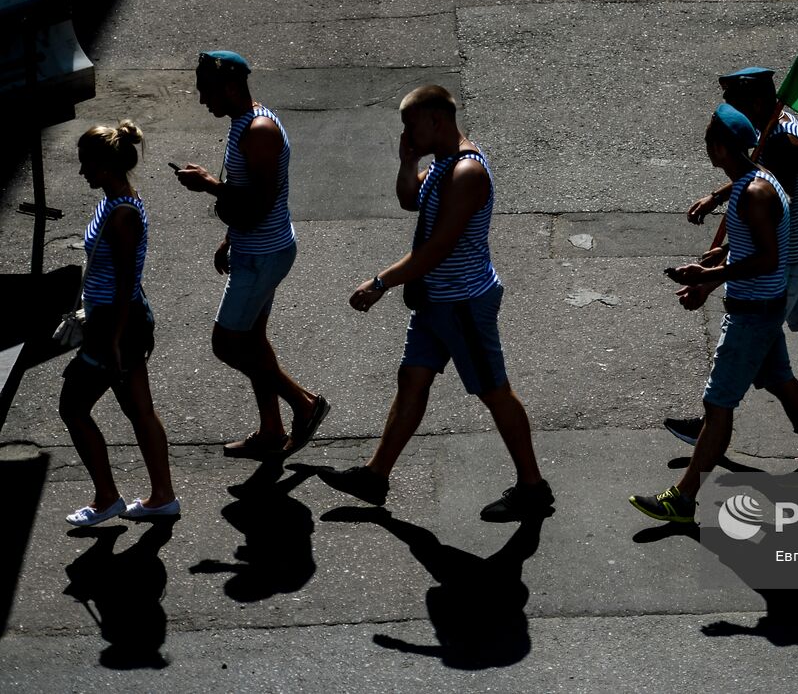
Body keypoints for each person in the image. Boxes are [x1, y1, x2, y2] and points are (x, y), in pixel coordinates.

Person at [334, 85, 552, 521]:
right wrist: (407, 160)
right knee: (412, 380)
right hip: (436, 300)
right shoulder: (442, 162)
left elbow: (437, 249)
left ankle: (533, 487)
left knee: (494, 392)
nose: (405, 132)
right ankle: (375, 477)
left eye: (410, 124)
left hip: (463, 303)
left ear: (437, 120)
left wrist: (381, 282)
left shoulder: (467, 172)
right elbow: (409, 199)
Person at [629, 105, 798, 525]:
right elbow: (758, 241)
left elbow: (767, 258)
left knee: (719, 404)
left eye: (709, 142)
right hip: (761, 308)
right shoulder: (758, 182)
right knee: (781, 380)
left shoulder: (754, 192)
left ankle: (683, 499)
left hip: (751, 312)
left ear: (719, 148)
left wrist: (711, 274)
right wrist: (725, 251)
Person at [664, 67, 798, 446]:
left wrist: (713, 274)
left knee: (754, 350)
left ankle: (713, 425)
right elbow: (759, 172)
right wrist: (719, 196)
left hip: (788, 260)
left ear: (755, 102)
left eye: (734, 105)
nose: (730, 113)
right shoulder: (775, 125)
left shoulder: (785, 143)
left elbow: (768, 220)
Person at [174, 50, 330, 459]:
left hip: (264, 254)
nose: (202, 100)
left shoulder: (259, 130)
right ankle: (271, 431)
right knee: (254, 343)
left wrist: (209, 185)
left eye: (206, 91)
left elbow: (259, 200)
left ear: (229, 87)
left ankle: (305, 404)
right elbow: (248, 199)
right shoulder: (245, 123)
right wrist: (230, 236)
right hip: (255, 248)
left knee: (227, 344)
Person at [60, 121, 179, 526]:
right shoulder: (115, 199)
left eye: (86, 164)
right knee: (139, 409)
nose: (81, 172)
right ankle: (162, 497)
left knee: (73, 407)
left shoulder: (123, 214)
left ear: (106, 167)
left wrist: (111, 340)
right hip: (119, 321)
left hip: (116, 324)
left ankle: (108, 497)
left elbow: (127, 282)